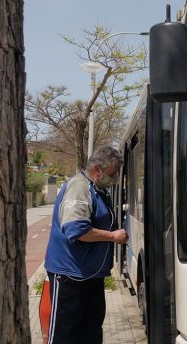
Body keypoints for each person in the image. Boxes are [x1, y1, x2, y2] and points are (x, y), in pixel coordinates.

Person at [44, 145, 128, 344]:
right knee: (64, 335)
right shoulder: (79, 187)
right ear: (98, 169)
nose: (115, 179)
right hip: (71, 277)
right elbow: (76, 230)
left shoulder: (97, 189)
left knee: (90, 332)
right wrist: (112, 236)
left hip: (90, 276)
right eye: (113, 173)